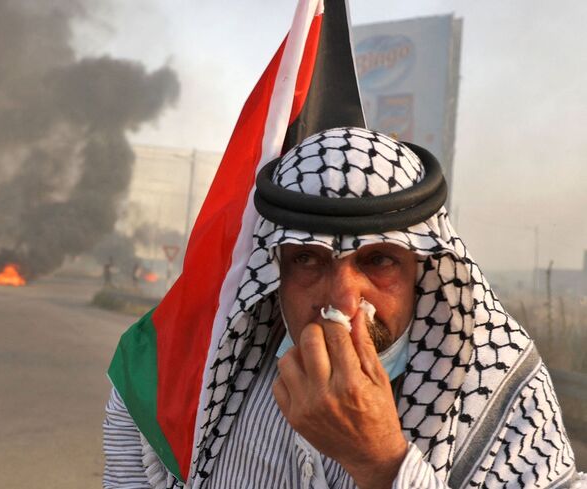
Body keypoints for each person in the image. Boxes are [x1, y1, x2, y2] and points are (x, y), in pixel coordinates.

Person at [103, 128, 581, 488]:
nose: (343, 301)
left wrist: (382, 462)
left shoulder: (493, 384)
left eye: (378, 261)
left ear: (422, 269)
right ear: (275, 270)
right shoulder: (188, 375)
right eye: (308, 259)